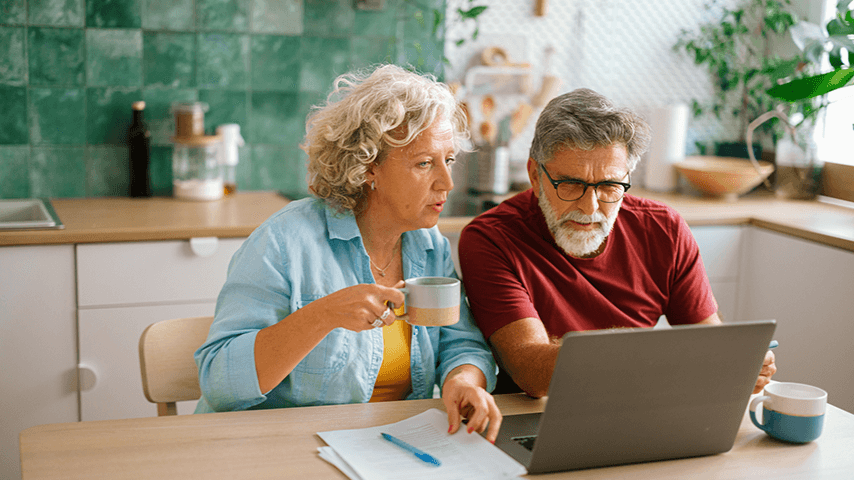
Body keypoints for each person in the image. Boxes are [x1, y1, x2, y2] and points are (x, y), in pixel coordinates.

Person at [195, 64, 502, 442]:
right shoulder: (284, 241)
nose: (447, 182)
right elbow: (220, 382)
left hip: (388, 446)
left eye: (449, 160)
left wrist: (464, 381)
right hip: (278, 449)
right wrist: (323, 315)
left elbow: (460, 341)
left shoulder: (429, 244)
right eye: (424, 163)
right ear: (369, 166)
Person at [458, 88, 776, 398]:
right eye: (570, 184)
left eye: (609, 186)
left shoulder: (665, 229)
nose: (590, 207)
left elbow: (707, 340)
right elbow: (531, 370)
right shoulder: (491, 239)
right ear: (535, 177)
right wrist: (648, 352)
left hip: (639, 403)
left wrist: (735, 361)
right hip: (536, 415)